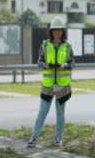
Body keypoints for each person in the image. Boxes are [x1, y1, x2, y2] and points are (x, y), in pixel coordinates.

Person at [27, 16, 74, 148]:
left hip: (62, 85)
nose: (57, 32)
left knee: (60, 114)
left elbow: (72, 63)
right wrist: (45, 65)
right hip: (47, 85)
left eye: (59, 30)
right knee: (42, 112)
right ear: (51, 31)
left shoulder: (68, 46)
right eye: (55, 30)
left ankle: (58, 138)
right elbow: (39, 62)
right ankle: (33, 137)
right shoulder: (45, 45)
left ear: (63, 31)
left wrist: (65, 66)